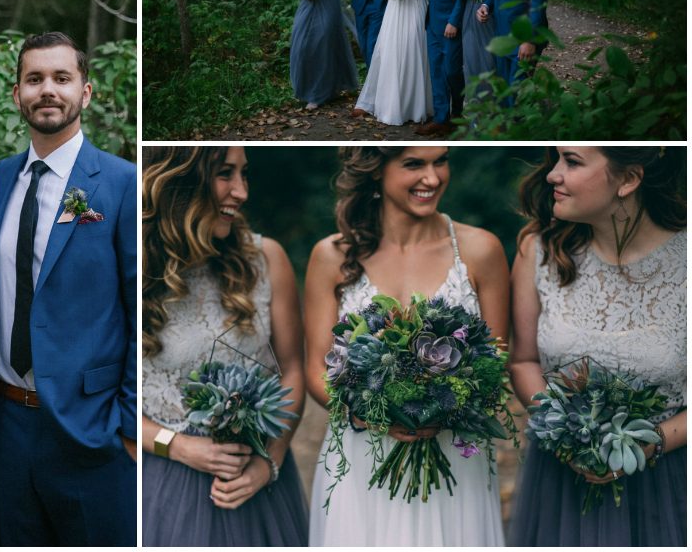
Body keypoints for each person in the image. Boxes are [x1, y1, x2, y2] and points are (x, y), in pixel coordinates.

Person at [0, 31, 137, 545]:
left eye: (61, 78)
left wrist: (129, 424)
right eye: (34, 79)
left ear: (85, 92)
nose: (48, 90)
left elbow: (143, 309)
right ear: (17, 94)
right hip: (5, 423)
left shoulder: (121, 183)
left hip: (92, 430)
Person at [305, 146, 509, 546]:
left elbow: (496, 360)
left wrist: (449, 404)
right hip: (362, 455)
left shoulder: (481, 250)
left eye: (441, 161)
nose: (432, 178)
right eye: (414, 164)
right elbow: (316, 368)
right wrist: (371, 414)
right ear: (376, 170)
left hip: (455, 454)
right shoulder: (331, 256)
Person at [508, 146, 686, 546]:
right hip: (561, 475)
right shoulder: (539, 251)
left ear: (628, 179)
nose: (553, 174)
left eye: (571, 162)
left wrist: (648, 443)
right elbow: (522, 360)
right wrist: (564, 436)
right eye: (556, 160)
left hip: (668, 478)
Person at [141, 146, 308, 546]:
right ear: (181, 179)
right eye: (224, 174)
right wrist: (177, 446)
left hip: (258, 482)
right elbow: (109, 396)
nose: (241, 191)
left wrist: (271, 461)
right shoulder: (134, 270)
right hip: (166, 481)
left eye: (243, 174)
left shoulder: (266, 259)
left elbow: (293, 370)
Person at [417, 0, 468, 137]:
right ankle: (440, 119)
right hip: (433, 22)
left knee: (452, 72)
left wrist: (454, 20)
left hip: (449, 24)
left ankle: (457, 115)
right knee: (436, 70)